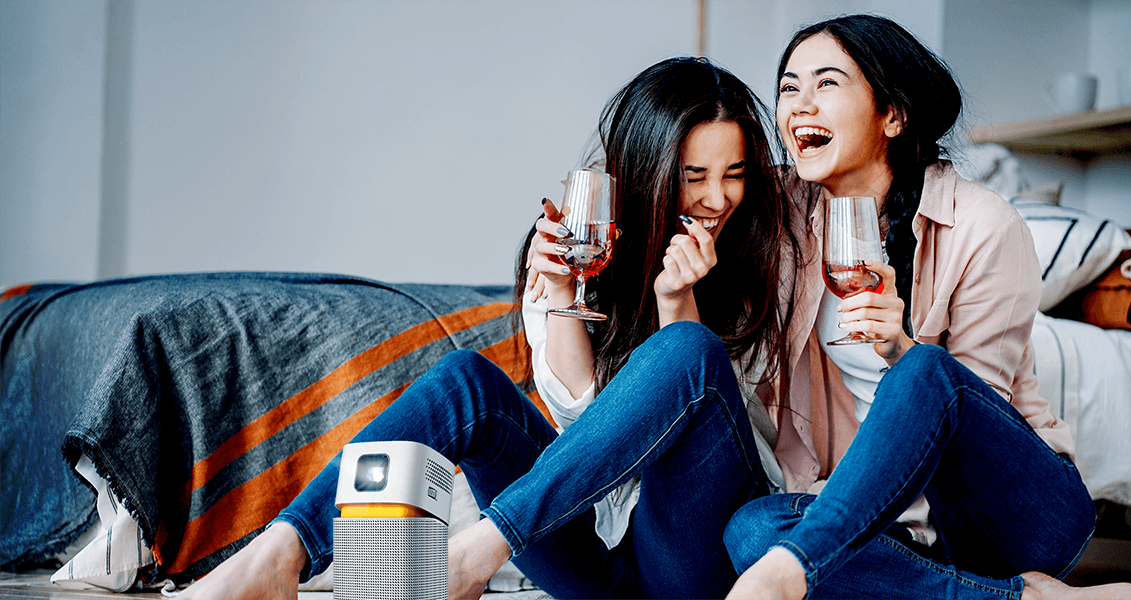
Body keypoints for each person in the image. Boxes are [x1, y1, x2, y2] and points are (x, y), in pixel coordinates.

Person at [177, 56, 796, 600]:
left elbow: (683, 433)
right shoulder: (578, 251)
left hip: (697, 564)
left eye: (734, 173)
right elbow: (584, 430)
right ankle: (278, 556)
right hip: (595, 558)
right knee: (464, 381)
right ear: (646, 175)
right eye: (695, 177)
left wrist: (677, 301)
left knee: (687, 347)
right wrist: (558, 297)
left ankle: (477, 552)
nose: (717, 198)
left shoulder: (756, 262)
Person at [721, 14, 1131, 600]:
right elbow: (694, 186)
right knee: (755, 531)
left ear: (893, 115)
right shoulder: (781, 212)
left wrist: (898, 348)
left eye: (827, 84)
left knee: (926, 369)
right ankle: (1026, 599)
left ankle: (802, 569)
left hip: (1011, 512)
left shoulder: (983, 223)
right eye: (788, 87)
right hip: (881, 515)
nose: (800, 104)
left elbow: (969, 409)